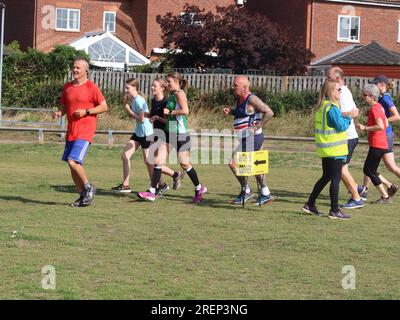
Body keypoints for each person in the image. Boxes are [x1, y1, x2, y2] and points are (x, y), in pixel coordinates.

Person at [138, 72, 207, 203]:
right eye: (167, 81)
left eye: (169, 81)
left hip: (181, 134)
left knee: (185, 164)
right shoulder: (172, 95)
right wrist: (157, 117)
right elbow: (169, 117)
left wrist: (170, 112)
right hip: (169, 132)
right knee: (158, 161)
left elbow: (185, 111)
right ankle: (152, 192)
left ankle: (199, 188)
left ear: (177, 82)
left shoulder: (180, 94)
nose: (167, 84)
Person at [53, 58, 108, 207]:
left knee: (73, 161)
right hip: (71, 131)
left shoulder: (92, 87)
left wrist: (87, 111)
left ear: (86, 70)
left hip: (85, 131)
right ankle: (82, 195)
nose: (75, 70)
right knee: (70, 164)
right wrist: (60, 113)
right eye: (73, 68)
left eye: (78, 68)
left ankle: (89, 187)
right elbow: (65, 106)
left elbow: (104, 107)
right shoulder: (67, 87)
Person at [302, 79, 358, 219]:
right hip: (335, 150)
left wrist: (343, 115)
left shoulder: (323, 106)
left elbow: (333, 122)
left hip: (326, 149)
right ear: (331, 92)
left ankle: (310, 204)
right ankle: (334, 210)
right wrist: (350, 117)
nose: (340, 91)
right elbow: (341, 126)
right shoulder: (332, 107)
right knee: (335, 179)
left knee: (325, 177)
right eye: (338, 90)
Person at [223, 75, 275, 205]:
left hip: (252, 137)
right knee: (255, 166)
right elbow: (244, 113)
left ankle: (246, 191)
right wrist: (231, 111)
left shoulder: (251, 98)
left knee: (233, 162)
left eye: (235, 85)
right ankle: (265, 193)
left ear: (244, 87)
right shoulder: (240, 99)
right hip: (248, 138)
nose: (232, 87)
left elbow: (269, 112)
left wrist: (257, 126)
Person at [327, 67, 365, 209]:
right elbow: (354, 110)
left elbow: (350, 112)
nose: (326, 80)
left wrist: (332, 114)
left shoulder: (342, 93)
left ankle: (356, 197)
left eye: (329, 77)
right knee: (343, 169)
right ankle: (357, 189)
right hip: (349, 136)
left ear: (337, 79)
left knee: (340, 169)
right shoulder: (345, 91)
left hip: (347, 136)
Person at [358, 75, 399, 200]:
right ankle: (376, 188)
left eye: (375, 84)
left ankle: (370, 190)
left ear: (382, 85)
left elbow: (397, 116)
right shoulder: (380, 100)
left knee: (376, 168)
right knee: (375, 167)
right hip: (382, 134)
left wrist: (378, 121)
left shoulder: (385, 99)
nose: (374, 86)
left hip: (384, 135)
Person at [111, 78, 155, 194]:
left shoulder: (139, 101)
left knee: (148, 162)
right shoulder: (134, 99)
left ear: (135, 88)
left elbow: (141, 119)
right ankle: (126, 185)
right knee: (125, 155)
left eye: (127, 88)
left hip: (146, 133)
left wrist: (129, 111)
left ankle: (156, 187)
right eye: (125, 88)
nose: (125, 90)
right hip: (138, 133)